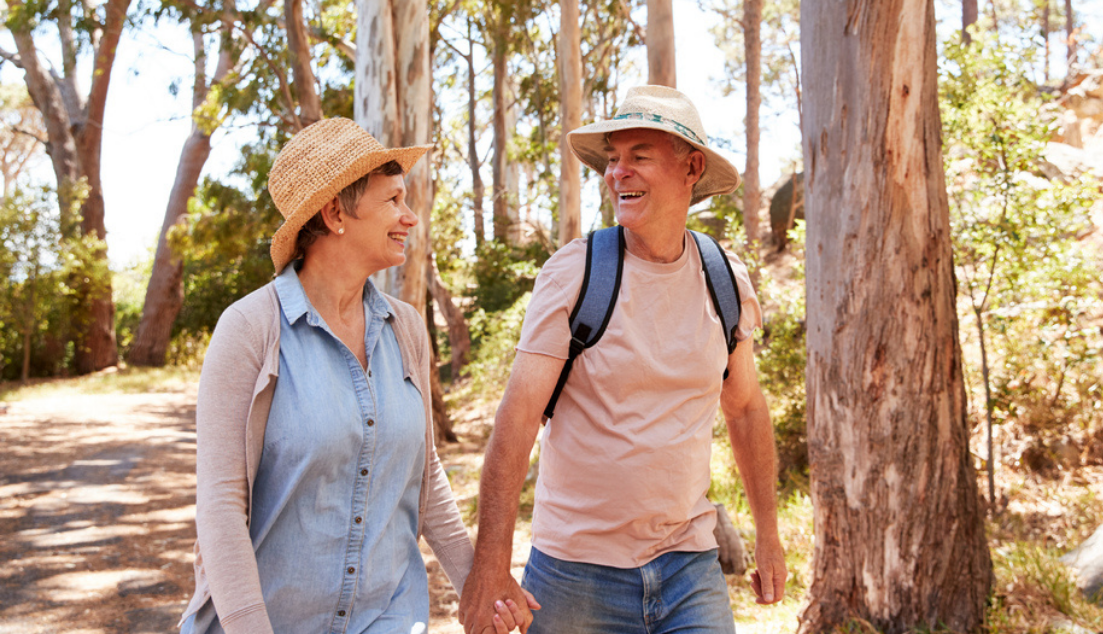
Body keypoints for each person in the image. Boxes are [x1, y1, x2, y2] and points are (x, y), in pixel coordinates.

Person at [178, 118, 533, 634]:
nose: (409, 217)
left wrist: (480, 585)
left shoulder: (405, 326)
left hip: (386, 619)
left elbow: (425, 478)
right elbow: (220, 508)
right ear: (335, 213)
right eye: (392, 200)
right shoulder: (250, 329)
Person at [459, 86, 786, 634]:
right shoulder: (575, 274)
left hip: (689, 564)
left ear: (692, 168)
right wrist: (490, 566)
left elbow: (747, 408)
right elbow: (516, 421)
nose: (617, 174)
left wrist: (769, 534)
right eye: (613, 159)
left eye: (639, 157)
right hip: (574, 574)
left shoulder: (724, 277)